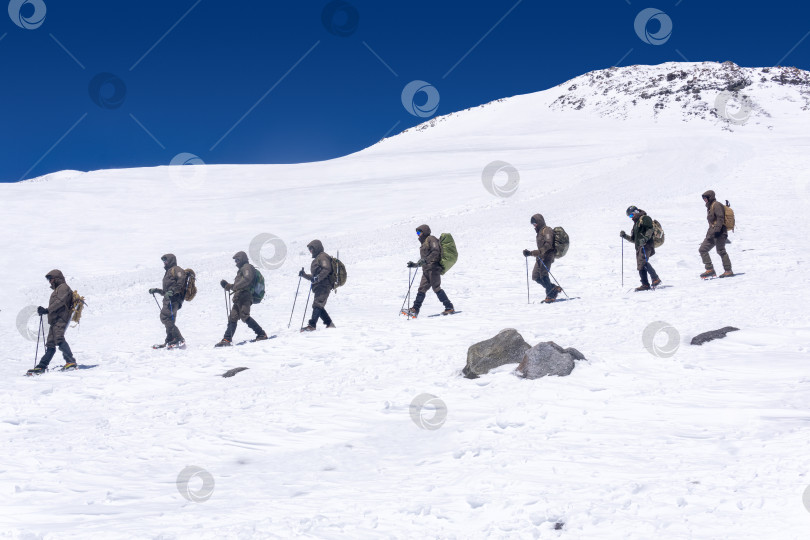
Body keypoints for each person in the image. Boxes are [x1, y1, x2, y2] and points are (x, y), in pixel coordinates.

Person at [27, 270, 77, 375]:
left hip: (61, 318)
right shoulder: (57, 289)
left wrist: (47, 310)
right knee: (50, 343)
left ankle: (71, 362)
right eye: (49, 280)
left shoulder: (63, 287)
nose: (50, 281)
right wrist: (46, 310)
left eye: (51, 279)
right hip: (55, 320)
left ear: (57, 278)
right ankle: (42, 366)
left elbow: (60, 301)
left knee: (59, 338)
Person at [215, 251, 268, 347]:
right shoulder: (241, 269)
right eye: (235, 260)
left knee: (244, 316)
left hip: (245, 296)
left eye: (237, 260)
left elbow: (247, 279)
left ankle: (261, 334)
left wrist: (234, 286)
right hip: (239, 297)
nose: (236, 262)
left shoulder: (247, 267)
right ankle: (227, 339)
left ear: (242, 259)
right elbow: (238, 285)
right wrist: (227, 286)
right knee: (233, 317)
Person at [405, 224, 455, 317]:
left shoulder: (431, 239)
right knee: (422, 289)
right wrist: (415, 265)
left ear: (424, 231)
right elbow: (424, 259)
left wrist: (425, 260)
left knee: (436, 288)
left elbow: (436, 251)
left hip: (433, 268)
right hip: (426, 270)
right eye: (417, 232)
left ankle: (449, 307)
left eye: (419, 232)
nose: (418, 234)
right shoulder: (424, 243)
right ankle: (415, 309)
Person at [149, 254, 186, 349]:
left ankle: (178, 338)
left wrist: (173, 291)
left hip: (174, 299)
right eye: (163, 261)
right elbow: (166, 292)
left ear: (171, 260)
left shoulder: (176, 269)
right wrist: (156, 290)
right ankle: (170, 339)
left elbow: (181, 282)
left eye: (166, 261)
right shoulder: (168, 272)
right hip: (168, 299)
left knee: (164, 317)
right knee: (169, 320)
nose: (164, 263)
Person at [523, 214, 562, 303]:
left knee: (544, 276)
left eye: (535, 223)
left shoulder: (547, 230)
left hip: (547, 256)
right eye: (533, 224)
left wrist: (534, 252)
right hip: (540, 257)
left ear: (539, 222)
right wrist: (530, 253)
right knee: (536, 277)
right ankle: (553, 288)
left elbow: (548, 245)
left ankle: (550, 295)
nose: (534, 225)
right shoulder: (539, 232)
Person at [299, 240, 336, 332]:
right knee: (318, 305)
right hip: (320, 285)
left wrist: (318, 278)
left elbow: (326, 269)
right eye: (309, 249)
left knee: (317, 304)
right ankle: (329, 324)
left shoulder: (322, 256)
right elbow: (315, 277)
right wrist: (304, 275)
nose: (310, 251)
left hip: (324, 285)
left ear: (316, 247)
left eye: (311, 248)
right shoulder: (318, 258)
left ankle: (312, 325)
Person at [621, 206, 661, 291]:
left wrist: (645, 239)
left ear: (635, 212)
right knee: (640, 265)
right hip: (639, 246)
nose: (631, 218)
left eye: (631, 215)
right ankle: (645, 284)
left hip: (646, 245)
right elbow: (633, 239)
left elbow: (650, 229)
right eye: (629, 216)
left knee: (642, 262)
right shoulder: (636, 224)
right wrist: (624, 236)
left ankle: (655, 278)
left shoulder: (645, 218)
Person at [698, 190, 733, 279]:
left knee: (721, 250)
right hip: (712, 233)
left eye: (706, 198)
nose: (705, 200)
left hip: (720, 233)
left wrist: (717, 231)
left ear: (710, 197)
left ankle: (728, 270)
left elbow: (720, 218)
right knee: (702, 249)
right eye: (704, 198)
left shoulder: (716, 205)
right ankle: (710, 269)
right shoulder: (709, 207)